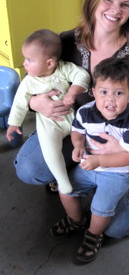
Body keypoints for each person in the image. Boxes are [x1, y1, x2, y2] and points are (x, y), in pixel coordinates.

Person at [14, 0, 129, 240]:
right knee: (29, 168)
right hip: (73, 130)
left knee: (119, 229)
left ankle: (97, 177)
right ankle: (77, 170)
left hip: (120, 142)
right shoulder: (66, 41)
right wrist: (36, 102)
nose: (115, 10)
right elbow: (32, 75)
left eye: (125, 4)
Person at [51, 57, 129, 263]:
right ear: (93, 92)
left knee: (101, 208)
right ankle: (76, 221)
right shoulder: (86, 111)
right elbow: (77, 131)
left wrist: (100, 162)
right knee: (66, 189)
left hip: (118, 172)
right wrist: (78, 144)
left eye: (118, 93)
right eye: (104, 92)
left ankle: (93, 235)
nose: (110, 100)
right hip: (90, 164)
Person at [7, 29, 90, 194]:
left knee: (81, 143)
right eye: (25, 59)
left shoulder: (64, 69)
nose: (24, 63)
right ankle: (62, 180)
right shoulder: (29, 82)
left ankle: (85, 169)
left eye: (29, 60)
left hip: (72, 117)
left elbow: (82, 75)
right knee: (50, 149)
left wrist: (73, 91)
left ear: (50, 63)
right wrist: (13, 124)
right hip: (50, 124)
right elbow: (19, 102)